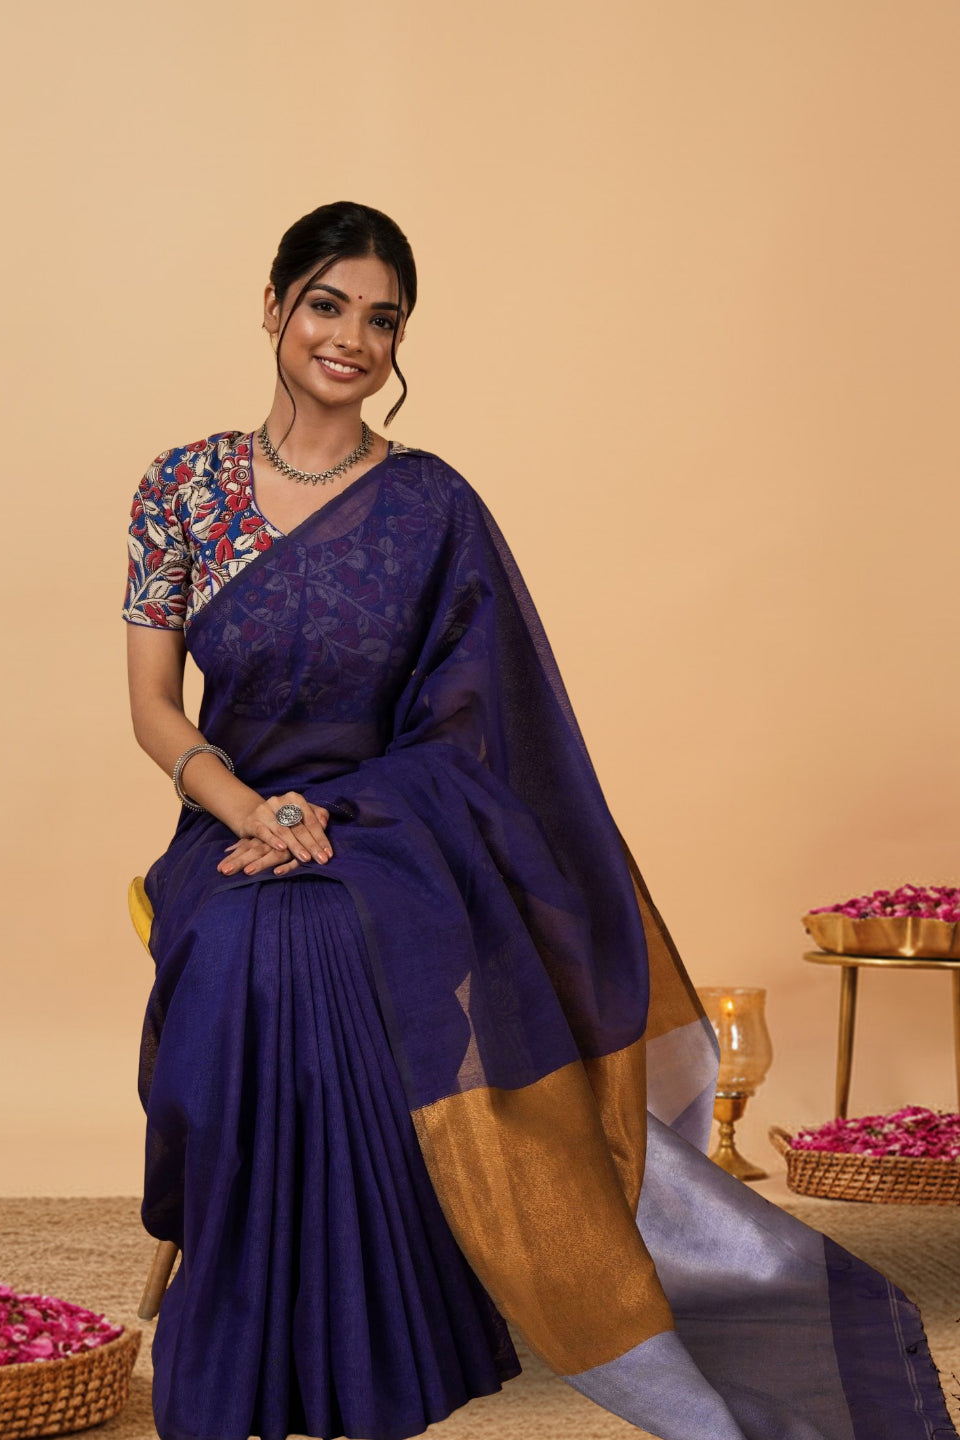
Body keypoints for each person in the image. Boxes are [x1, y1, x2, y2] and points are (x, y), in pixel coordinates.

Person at [122, 201, 956, 1440]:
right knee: (252, 943)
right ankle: (269, 1332)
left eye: (381, 319)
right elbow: (152, 706)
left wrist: (335, 817)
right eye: (327, 305)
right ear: (273, 307)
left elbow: (476, 723)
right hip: (228, 821)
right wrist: (254, 808)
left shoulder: (430, 504)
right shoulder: (181, 489)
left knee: (332, 937)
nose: (351, 337)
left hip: (395, 824)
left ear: (400, 341)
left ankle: (380, 1338)